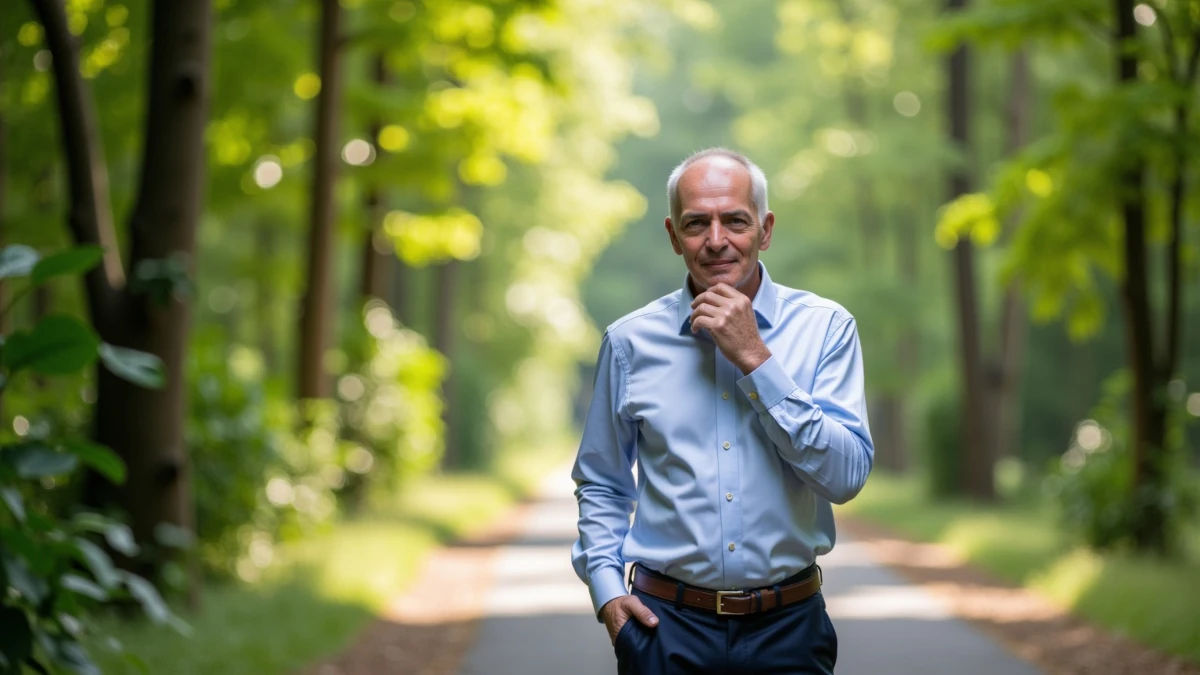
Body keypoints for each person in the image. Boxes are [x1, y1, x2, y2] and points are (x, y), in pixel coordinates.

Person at [570, 147, 874, 674]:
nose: (716, 241)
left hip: (790, 630)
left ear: (765, 228)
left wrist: (756, 359)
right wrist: (606, 593)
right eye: (696, 224)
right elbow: (602, 481)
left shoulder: (827, 329)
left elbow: (845, 477)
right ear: (672, 236)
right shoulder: (629, 342)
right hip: (664, 631)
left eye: (735, 220)